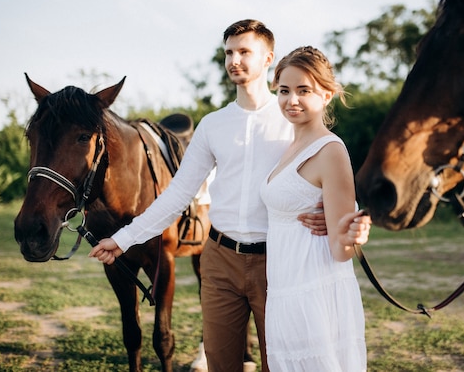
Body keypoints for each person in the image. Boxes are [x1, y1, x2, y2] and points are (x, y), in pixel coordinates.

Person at [89, 19, 327, 372]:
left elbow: (329, 178)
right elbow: (177, 195)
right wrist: (123, 239)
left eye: (245, 52)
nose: (235, 60)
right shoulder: (213, 125)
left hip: (276, 260)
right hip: (219, 260)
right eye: (229, 52)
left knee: (278, 362)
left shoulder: (292, 120)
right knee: (220, 363)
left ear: (268, 59)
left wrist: (343, 215)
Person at [260, 46, 371, 371]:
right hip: (283, 288)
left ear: (327, 94)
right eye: (284, 90)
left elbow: (340, 249)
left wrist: (355, 233)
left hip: (315, 291)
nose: (291, 100)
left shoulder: (330, 151)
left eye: (303, 90)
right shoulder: (288, 147)